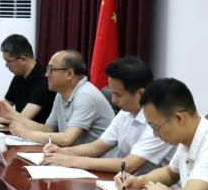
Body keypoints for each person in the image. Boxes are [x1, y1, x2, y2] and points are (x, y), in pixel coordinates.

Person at [41, 57, 173, 175]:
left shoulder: (159, 121)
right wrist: (61, 152)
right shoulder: (125, 113)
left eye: (118, 95)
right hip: (129, 184)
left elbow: (129, 165)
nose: (113, 100)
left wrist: (72, 161)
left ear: (141, 93)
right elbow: (96, 147)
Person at [0, 49, 114, 146]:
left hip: (98, 164)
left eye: (51, 70)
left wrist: (26, 133)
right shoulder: (61, 93)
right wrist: (13, 115)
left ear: (69, 74)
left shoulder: (86, 96)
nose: (46, 74)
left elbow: (67, 139)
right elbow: (48, 129)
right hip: (74, 157)